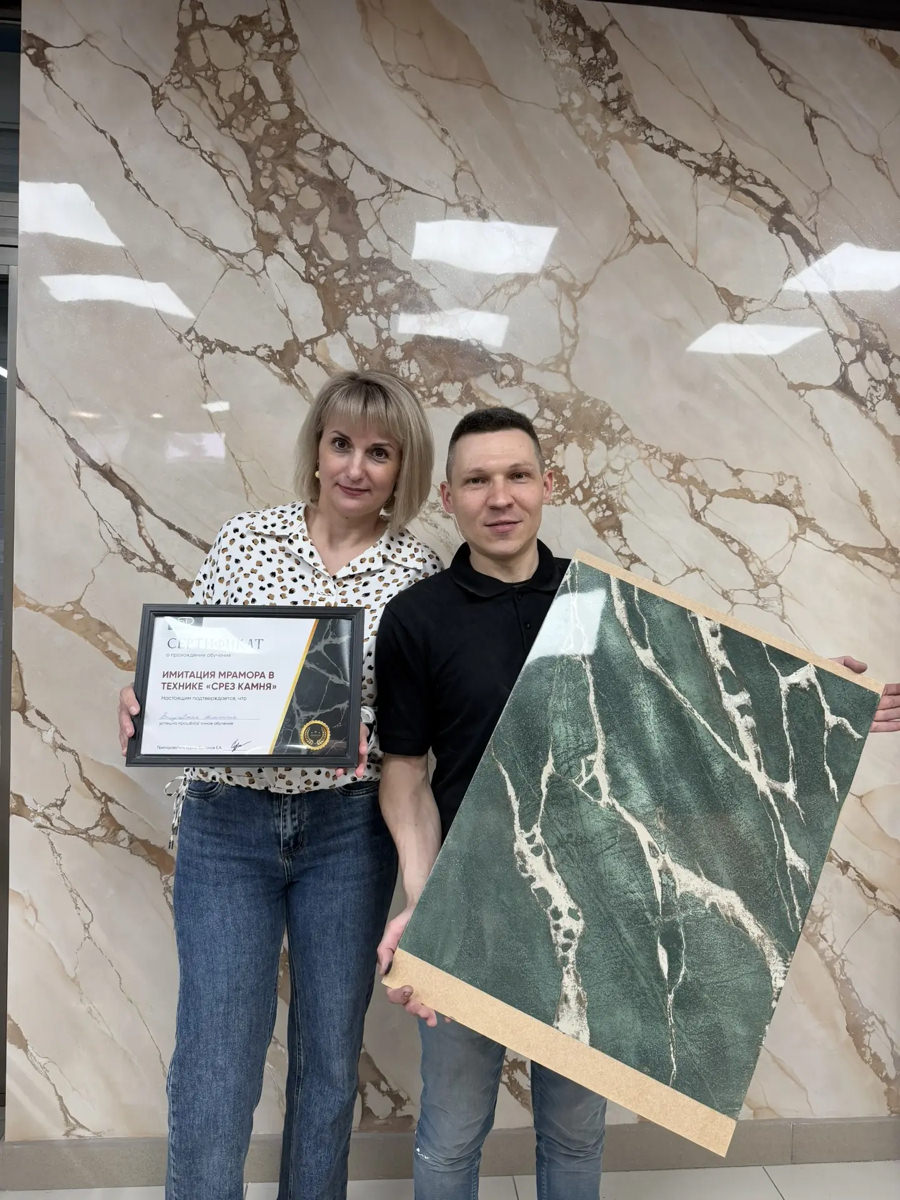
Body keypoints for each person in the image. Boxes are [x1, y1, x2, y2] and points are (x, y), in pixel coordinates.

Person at [373, 406, 900, 1200]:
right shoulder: (417, 619)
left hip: (599, 901)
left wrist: (813, 693)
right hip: (471, 908)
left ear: (549, 484)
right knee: (450, 1134)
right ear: (447, 498)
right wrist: (424, 903)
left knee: (574, 1134)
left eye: (518, 475)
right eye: (477, 480)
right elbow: (406, 774)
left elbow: (690, 719)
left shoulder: (600, 601)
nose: (500, 496)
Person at [118, 370, 442, 1200]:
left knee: (329, 1059)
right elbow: (192, 660)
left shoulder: (418, 571)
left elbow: (415, 725)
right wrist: (149, 701)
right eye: (341, 444)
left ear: (402, 468)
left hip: (348, 831)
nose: (355, 468)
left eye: (379, 452)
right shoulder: (246, 540)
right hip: (229, 822)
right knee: (217, 1056)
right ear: (317, 449)